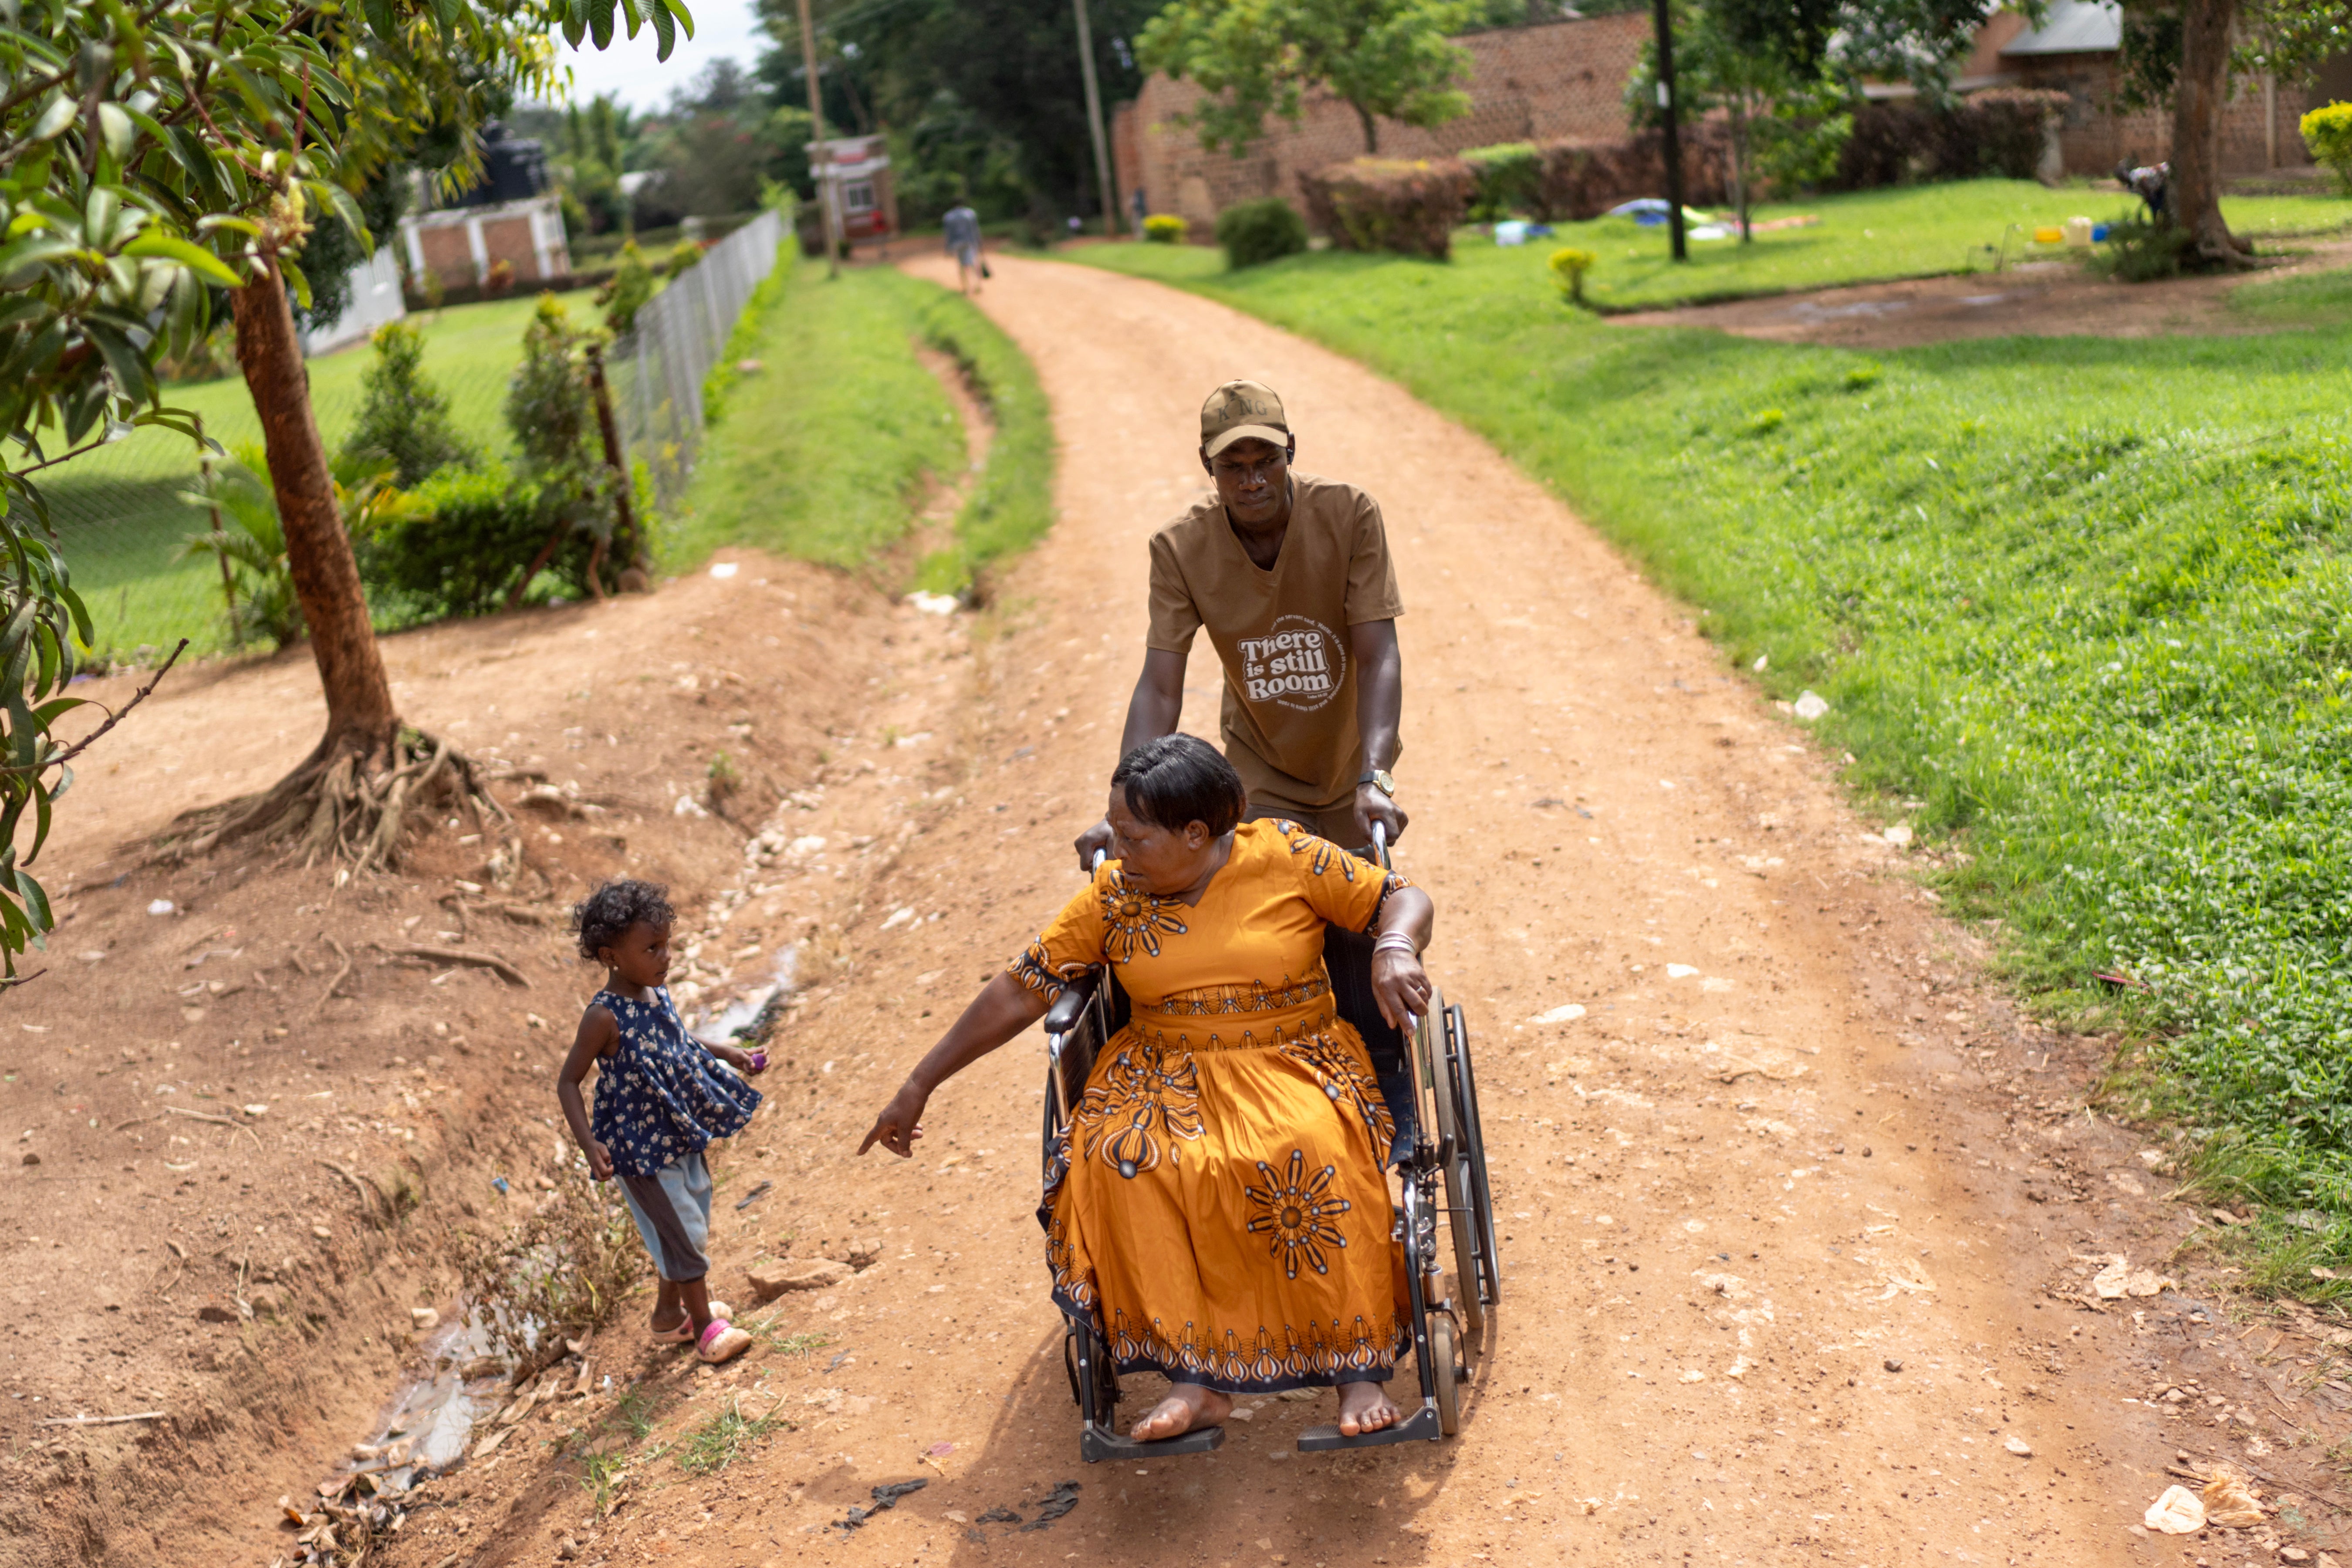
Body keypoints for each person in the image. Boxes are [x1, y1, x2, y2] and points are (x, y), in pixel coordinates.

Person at [860, 735, 1438, 1442]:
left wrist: (1393, 946)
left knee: (1310, 1149)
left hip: (1290, 1056)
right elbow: (1020, 990)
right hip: (1160, 1067)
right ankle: (1194, 1380)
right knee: (1121, 1161)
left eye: (1133, 835)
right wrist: (920, 1082)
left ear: (1196, 833)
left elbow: (1400, 897)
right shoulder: (1116, 897)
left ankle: (1358, 1372)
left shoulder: (1286, 856)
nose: (1117, 847)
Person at [1075, 379, 1406, 865]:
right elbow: (1161, 687)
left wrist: (1375, 778)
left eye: (1267, 461)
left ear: (1290, 450)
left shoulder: (1349, 515)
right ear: (1208, 465)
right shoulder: (1181, 548)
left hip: (1351, 768)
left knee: (1364, 920)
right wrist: (1122, 811)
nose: (1253, 482)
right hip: (1263, 772)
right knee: (1272, 921)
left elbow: (1378, 656)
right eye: (1233, 468)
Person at [556, 879, 764, 1365]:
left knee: (692, 1217)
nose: (666, 956)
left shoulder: (657, 991)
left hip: (677, 1128)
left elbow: (680, 1043)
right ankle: (706, 1329)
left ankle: (669, 1317)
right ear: (611, 956)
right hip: (638, 1147)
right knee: (681, 1230)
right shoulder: (603, 1018)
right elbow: (568, 1082)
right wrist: (589, 1145)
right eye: (652, 948)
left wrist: (731, 1053)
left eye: (667, 944)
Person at [943, 201, 984, 295]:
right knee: (974, 263)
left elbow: (948, 234)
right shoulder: (970, 214)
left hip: (957, 244)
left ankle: (968, 288)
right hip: (970, 242)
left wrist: (947, 249)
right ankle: (978, 284)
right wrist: (979, 242)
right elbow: (975, 230)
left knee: (964, 265)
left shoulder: (948, 217)